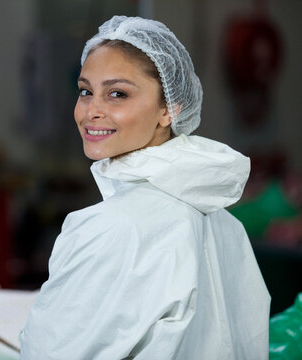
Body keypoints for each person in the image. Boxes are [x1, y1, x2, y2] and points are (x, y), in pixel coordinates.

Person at [20, 16, 270, 359]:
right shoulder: (225, 223)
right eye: (85, 91)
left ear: (169, 108)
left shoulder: (110, 227)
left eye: (117, 94)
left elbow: (47, 352)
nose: (92, 110)